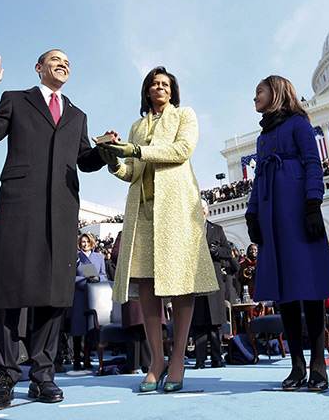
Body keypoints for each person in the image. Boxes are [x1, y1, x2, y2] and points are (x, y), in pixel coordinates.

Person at [0, 51, 107, 411]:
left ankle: (43, 376)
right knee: (10, 289)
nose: (64, 64)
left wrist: (104, 150)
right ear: (39, 67)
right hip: (19, 204)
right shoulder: (16, 100)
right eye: (55, 59)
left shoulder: (77, 115)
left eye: (68, 61)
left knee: (54, 292)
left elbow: (85, 161)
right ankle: (5, 377)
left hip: (62, 210)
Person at [97, 66, 218, 393]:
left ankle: (177, 356)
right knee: (146, 284)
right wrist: (113, 160)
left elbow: (182, 152)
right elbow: (132, 172)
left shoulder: (185, 116)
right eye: (154, 84)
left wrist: (136, 151)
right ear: (147, 91)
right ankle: (156, 360)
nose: (159, 88)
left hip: (177, 208)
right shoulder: (137, 126)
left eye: (165, 84)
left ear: (172, 91)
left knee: (181, 282)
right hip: (144, 210)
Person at [245, 75, 329, 392]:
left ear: (277, 92)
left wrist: (313, 203)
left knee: (310, 286)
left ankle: (318, 362)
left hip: (297, 209)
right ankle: (296, 363)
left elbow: (313, 162)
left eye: (259, 91)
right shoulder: (262, 138)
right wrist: (252, 213)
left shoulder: (299, 123)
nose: (254, 97)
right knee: (283, 288)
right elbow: (258, 179)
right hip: (272, 214)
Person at [191, 200, 230, 369]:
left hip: (214, 281)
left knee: (215, 323)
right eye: (199, 209)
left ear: (208, 211)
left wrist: (215, 251)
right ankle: (200, 361)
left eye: (204, 209)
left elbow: (227, 252)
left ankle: (217, 360)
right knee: (199, 323)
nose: (202, 212)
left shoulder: (217, 229)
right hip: (196, 279)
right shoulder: (189, 229)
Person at [70, 233, 108, 370]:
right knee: (78, 327)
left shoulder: (99, 257)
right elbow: (70, 277)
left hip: (94, 295)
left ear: (91, 242)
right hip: (79, 295)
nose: (84, 244)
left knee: (91, 327)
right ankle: (76, 359)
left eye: (87, 241)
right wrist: (84, 280)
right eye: (82, 242)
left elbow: (104, 275)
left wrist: (98, 279)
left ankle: (86, 359)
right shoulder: (76, 258)